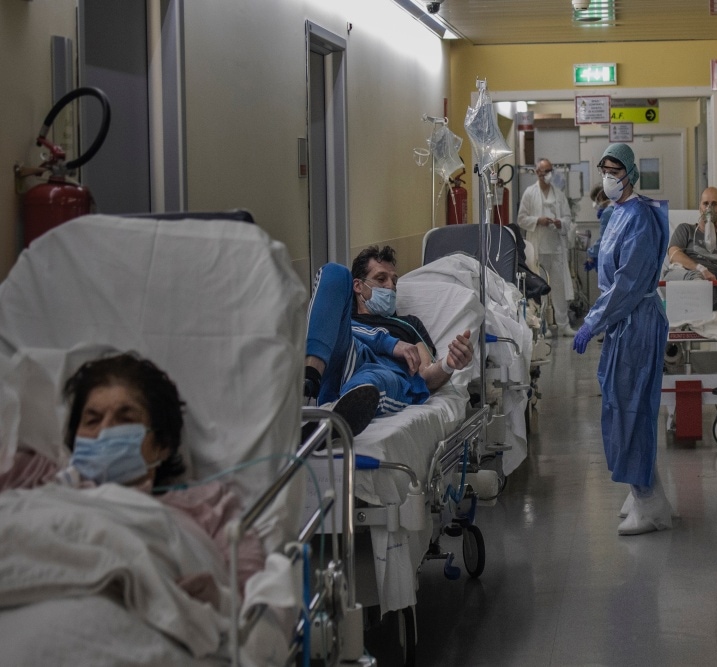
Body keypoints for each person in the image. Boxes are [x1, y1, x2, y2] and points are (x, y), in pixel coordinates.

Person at [0, 352, 265, 607]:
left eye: (125, 419)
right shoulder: (38, 476)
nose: (105, 430)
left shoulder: (207, 508)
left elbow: (255, 601)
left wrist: (221, 599)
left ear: (162, 444)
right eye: (92, 420)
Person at [571, 142, 674, 535]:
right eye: (604, 170)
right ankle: (646, 491)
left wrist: (591, 322)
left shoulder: (642, 219)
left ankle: (650, 504)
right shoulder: (617, 213)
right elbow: (611, 262)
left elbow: (627, 286)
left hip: (637, 321)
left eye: (614, 171)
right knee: (619, 404)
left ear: (629, 174)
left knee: (631, 410)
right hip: (623, 324)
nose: (608, 178)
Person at [304, 245, 474, 435]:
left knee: (369, 384)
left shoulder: (409, 325)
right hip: (347, 353)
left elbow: (425, 376)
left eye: (394, 281)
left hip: (385, 373)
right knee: (334, 272)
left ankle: (335, 415)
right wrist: (390, 343)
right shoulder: (343, 319)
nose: (390, 286)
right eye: (381, 279)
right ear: (358, 286)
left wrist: (449, 364)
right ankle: (309, 381)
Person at [662, 187, 717, 305]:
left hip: (710, 286)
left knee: (705, 289)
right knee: (689, 280)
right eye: (705, 204)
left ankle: (695, 299)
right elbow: (674, 255)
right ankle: (696, 292)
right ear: (700, 207)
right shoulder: (686, 229)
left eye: (714, 204)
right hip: (682, 277)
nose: (709, 208)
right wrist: (700, 269)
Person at [517, 158, 576, 336]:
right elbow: (521, 219)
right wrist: (538, 221)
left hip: (556, 248)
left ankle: (563, 323)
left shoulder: (559, 194)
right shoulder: (529, 193)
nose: (546, 174)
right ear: (537, 172)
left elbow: (567, 218)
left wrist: (559, 223)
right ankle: (542, 325)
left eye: (549, 170)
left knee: (559, 287)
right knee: (540, 289)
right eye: (543, 171)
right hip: (538, 249)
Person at [584, 183, 612, 271]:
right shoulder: (616, 208)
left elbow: (605, 240)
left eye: (595, 200)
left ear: (599, 197)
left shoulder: (608, 212)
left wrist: (591, 253)